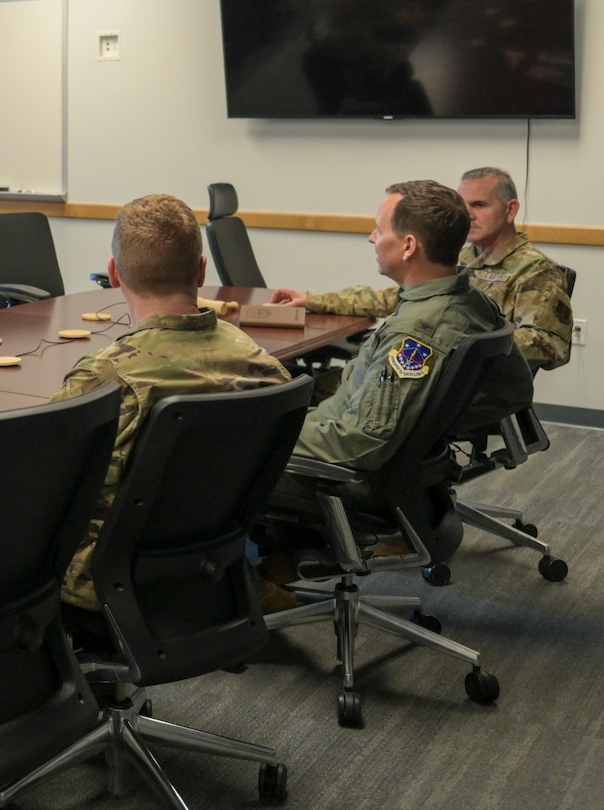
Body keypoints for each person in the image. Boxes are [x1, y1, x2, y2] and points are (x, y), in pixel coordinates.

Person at [44, 194, 292, 612]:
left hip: (103, 578)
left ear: (114, 274)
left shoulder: (103, 379)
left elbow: (42, 489)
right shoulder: (265, 368)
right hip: (211, 566)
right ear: (200, 271)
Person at [290, 180, 532, 475]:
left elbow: (360, 442)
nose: (371, 238)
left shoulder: (415, 335)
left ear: (408, 246)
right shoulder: (468, 299)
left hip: (331, 472)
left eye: (379, 230)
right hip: (337, 424)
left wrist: (263, 438)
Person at [270, 167, 571, 373]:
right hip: (434, 370)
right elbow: (397, 297)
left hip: (466, 385)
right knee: (311, 385)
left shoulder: (536, 270)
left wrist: (457, 342)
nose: (468, 214)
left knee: (305, 396)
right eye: (463, 205)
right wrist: (315, 299)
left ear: (511, 209)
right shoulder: (464, 256)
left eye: (479, 205)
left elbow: (549, 346)